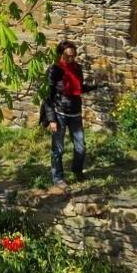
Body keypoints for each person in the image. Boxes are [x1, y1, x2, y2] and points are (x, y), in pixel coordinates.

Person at [43, 40, 97, 188]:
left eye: (73, 56)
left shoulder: (77, 68)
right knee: (58, 149)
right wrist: (51, 119)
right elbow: (48, 96)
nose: (71, 59)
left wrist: (93, 86)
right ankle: (58, 178)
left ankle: (77, 171)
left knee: (80, 147)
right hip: (59, 113)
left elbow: (78, 88)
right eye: (68, 56)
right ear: (60, 55)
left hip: (75, 113)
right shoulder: (54, 70)